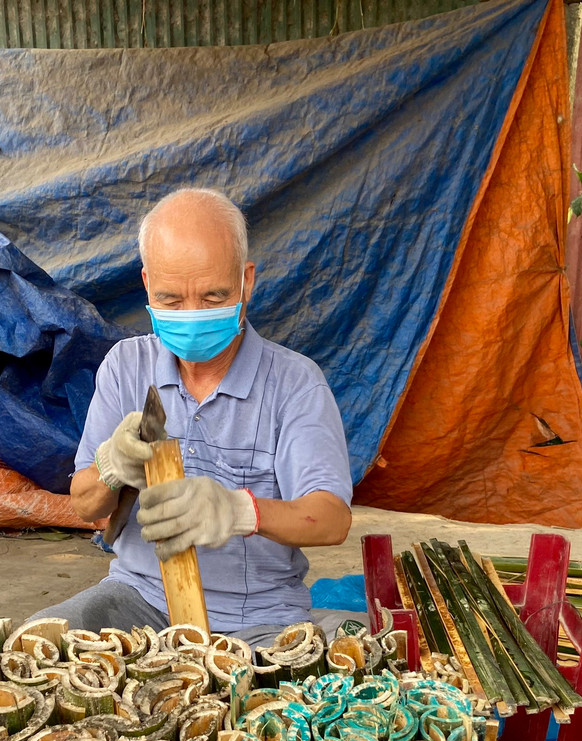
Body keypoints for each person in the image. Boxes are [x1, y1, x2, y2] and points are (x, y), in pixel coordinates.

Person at [34, 188, 357, 642]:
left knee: (272, 703)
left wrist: (238, 510)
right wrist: (112, 467)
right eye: (170, 299)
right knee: (34, 644)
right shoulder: (127, 367)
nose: (190, 315)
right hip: (139, 599)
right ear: (147, 285)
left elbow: (331, 519)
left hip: (259, 620)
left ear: (247, 282)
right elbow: (86, 505)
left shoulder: (295, 383)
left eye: (212, 297)